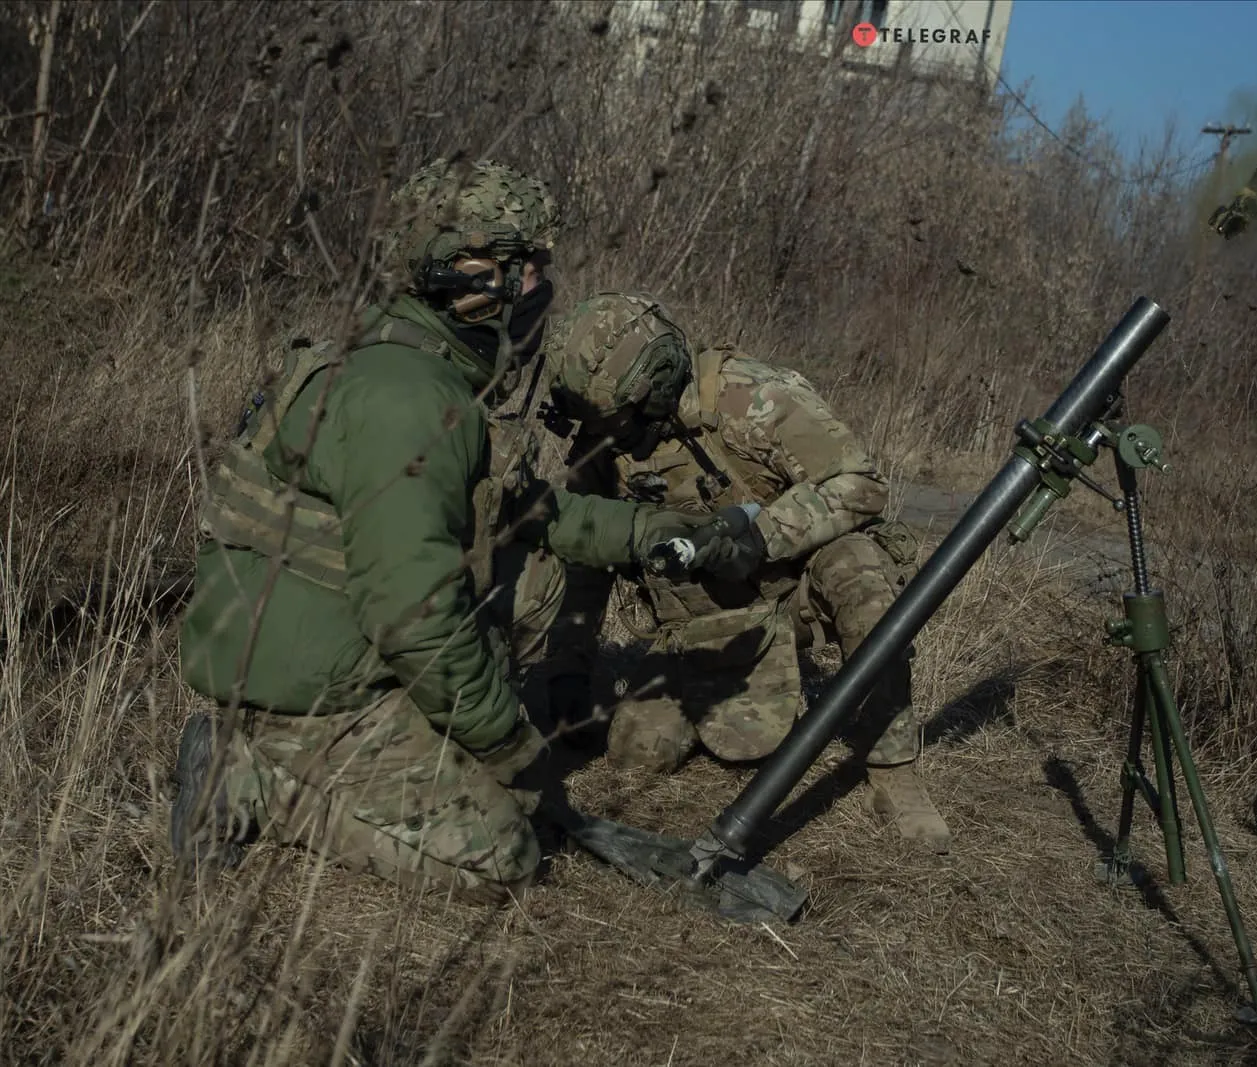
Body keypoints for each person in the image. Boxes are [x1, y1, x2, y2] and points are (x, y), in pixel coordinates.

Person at [170, 161, 719, 901]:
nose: (539, 292)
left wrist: (657, 531)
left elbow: (535, 514)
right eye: (529, 271)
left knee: (537, 577)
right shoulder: (413, 404)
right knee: (502, 851)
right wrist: (506, 741)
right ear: (472, 276)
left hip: (318, 655)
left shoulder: (410, 368)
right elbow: (412, 613)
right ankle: (250, 779)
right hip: (312, 698)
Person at [540, 290, 952, 851]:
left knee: (859, 570)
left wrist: (762, 537)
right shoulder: (603, 440)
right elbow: (584, 559)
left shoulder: (751, 398)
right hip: (698, 622)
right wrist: (568, 669)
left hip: (794, 594)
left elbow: (859, 483)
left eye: (612, 421)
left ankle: (893, 768)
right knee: (637, 754)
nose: (603, 437)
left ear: (654, 387)